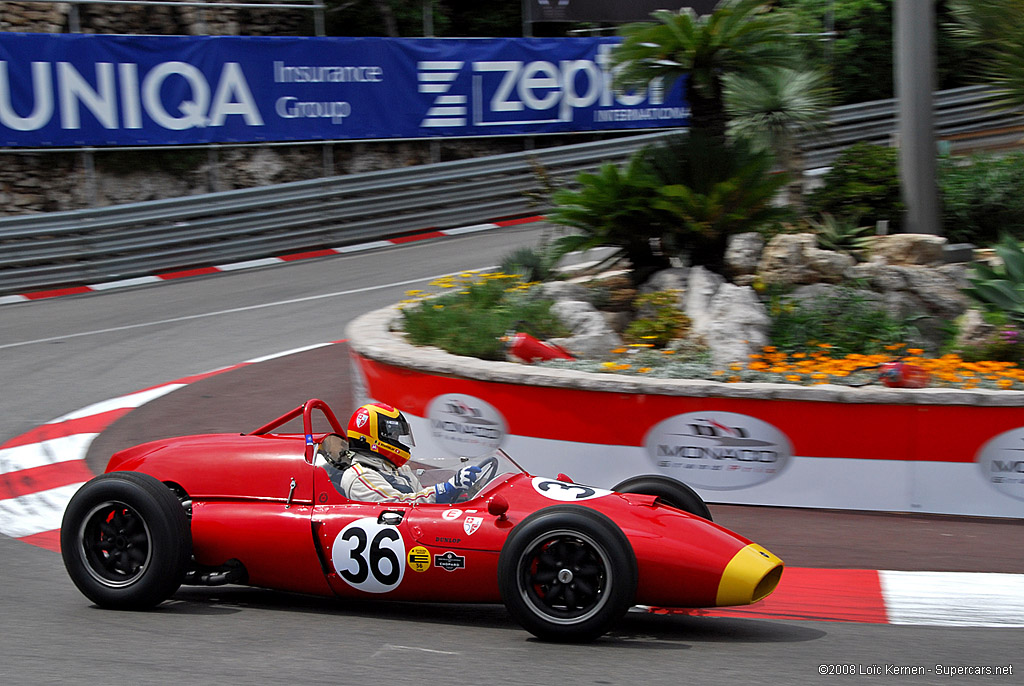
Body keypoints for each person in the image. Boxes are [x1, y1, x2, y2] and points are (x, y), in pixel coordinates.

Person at [337, 402, 480, 503]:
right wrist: (445, 489)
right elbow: (400, 504)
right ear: (374, 438)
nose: (397, 441)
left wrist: (459, 493)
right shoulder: (359, 476)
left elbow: (420, 500)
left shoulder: (399, 470)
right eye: (393, 436)